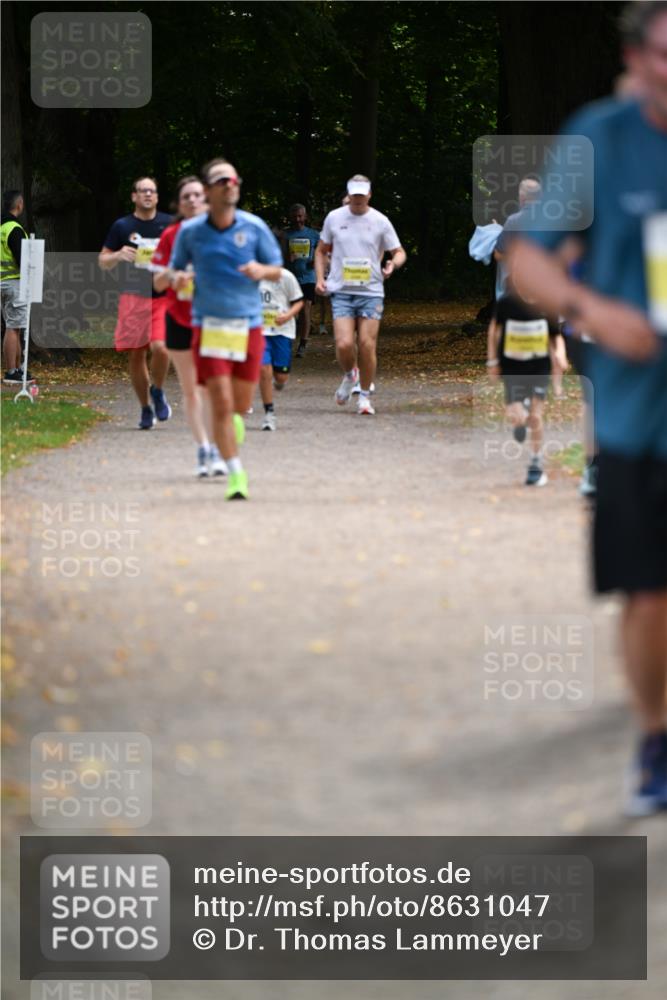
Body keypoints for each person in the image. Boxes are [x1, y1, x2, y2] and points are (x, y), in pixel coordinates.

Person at [510, 0, 667, 814]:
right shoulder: (600, 140)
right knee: (650, 595)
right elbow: (527, 258)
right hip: (642, 415)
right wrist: (593, 311)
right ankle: (654, 738)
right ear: (635, 58)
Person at [169, 158, 283, 500]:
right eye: (222, 180)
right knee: (219, 400)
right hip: (210, 326)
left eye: (233, 180)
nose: (230, 185)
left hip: (247, 326)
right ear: (208, 190)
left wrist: (260, 270)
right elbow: (174, 271)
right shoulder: (191, 232)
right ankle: (236, 474)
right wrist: (181, 278)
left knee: (240, 405)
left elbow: (277, 269)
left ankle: (231, 424)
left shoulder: (254, 226)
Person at [152, 175, 227, 477]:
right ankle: (202, 448)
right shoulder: (171, 235)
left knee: (212, 388)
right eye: (187, 197)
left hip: (213, 318)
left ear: (207, 200)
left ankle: (217, 449)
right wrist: (175, 276)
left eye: (198, 195)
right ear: (179, 204)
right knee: (192, 390)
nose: (193, 200)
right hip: (179, 318)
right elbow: (157, 283)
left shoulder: (221, 231)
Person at [315, 175, 406, 415]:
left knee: (366, 344)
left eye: (361, 194)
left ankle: (364, 397)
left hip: (371, 291)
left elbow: (399, 251)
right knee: (344, 343)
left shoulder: (380, 221)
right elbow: (321, 250)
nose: (357, 198)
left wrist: (392, 264)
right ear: (349, 193)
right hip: (342, 291)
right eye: (354, 194)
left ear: (369, 195)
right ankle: (350, 374)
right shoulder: (334, 218)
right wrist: (320, 278)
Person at [98, 177, 173, 429]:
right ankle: (145, 408)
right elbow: (102, 261)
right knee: (137, 353)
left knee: (162, 348)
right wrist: (118, 255)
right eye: (143, 191)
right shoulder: (122, 226)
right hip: (132, 296)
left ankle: (158, 390)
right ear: (134, 196)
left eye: (152, 191)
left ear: (157, 196)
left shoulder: (169, 224)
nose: (148, 194)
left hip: (162, 296)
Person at [487, 278, 559, 487]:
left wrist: (559, 358)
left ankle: (536, 463)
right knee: (516, 416)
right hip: (512, 368)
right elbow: (494, 331)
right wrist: (492, 361)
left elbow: (555, 337)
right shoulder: (506, 304)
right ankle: (521, 421)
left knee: (536, 416)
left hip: (539, 368)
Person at [257, 268, 304, 430]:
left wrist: (288, 315)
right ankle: (269, 413)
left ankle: (279, 381)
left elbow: (299, 302)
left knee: (281, 377)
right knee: (263, 369)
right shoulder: (251, 276)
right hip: (260, 331)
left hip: (282, 332)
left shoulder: (286, 276)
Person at [1, 189, 32, 384]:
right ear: (19, 205)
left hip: (2, 283)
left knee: (14, 327)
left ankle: (19, 369)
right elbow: (23, 259)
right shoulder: (14, 229)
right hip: (14, 283)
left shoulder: (1, 228)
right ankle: (12, 371)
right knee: (13, 328)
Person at [283, 204, 319, 357]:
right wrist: (287, 257)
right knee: (291, 312)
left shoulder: (314, 235)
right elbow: (278, 256)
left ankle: (303, 344)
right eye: (295, 216)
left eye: (300, 216)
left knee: (305, 310)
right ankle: (288, 341)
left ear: (305, 216)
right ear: (290, 218)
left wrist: (316, 261)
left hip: (308, 277)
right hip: (290, 278)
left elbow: (322, 253)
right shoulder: (286, 235)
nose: (298, 219)